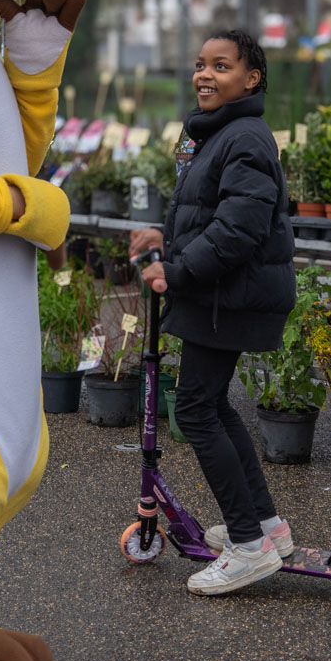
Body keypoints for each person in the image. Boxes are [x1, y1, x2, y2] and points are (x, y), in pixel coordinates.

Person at [130, 29, 296, 596]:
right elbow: (210, 216)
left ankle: (248, 547)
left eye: (221, 66)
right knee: (212, 404)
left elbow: (238, 230)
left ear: (251, 79)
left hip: (228, 296)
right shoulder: (220, 133)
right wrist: (166, 242)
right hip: (221, 294)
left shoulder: (243, 137)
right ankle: (267, 528)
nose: (205, 74)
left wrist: (176, 271)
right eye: (201, 64)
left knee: (197, 410)